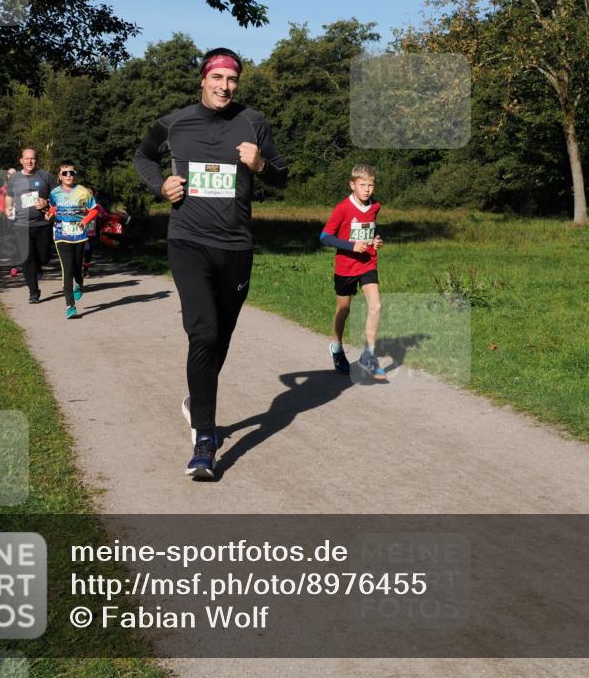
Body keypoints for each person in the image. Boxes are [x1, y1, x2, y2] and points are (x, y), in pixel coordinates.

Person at [134, 47, 287, 480]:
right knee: (203, 331)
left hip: (236, 246)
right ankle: (205, 438)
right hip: (188, 241)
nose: (224, 87)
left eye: (232, 80)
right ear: (203, 80)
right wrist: (158, 185)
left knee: (218, 339)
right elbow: (143, 157)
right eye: (217, 78)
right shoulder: (174, 123)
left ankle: (195, 400)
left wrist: (260, 165)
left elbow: (282, 173)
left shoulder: (253, 122)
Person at [320, 163, 387, 380]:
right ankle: (337, 348)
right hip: (346, 266)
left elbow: (370, 228)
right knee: (344, 310)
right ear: (352, 185)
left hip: (367, 263)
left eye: (371, 185)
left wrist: (374, 240)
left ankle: (368, 355)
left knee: (376, 306)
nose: (367, 189)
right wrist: (351, 245)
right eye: (362, 185)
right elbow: (325, 237)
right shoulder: (342, 208)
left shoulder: (375, 206)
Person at [47, 163, 98, 318]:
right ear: (59, 176)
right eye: (65, 173)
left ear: (75, 174)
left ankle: (80, 282)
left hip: (79, 234)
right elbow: (53, 208)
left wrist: (85, 221)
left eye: (71, 173)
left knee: (77, 266)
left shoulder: (83, 191)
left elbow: (94, 210)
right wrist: (49, 214)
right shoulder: (54, 193)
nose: (68, 175)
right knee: (67, 269)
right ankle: (70, 306)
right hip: (61, 234)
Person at [5, 148, 56, 303]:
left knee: (44, 257)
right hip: (21, 224)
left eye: (32, 158)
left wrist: (47, 202)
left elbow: (56, 197)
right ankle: (33, 292)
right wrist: (8, 208)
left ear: (36, 160)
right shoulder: (14, 179)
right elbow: (9, 196)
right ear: (21, 160)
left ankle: (39, 265)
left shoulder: (46, 177)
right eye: (26, 159)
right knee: (27, 259)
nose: (29, 161)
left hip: (42, 224)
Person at [0, 167, 19, 276]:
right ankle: (13, 266)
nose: (11, 176)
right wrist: (3, 212)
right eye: (9, 174)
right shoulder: (3, 189)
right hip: (9, 218)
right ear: (7, 176)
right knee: (12, 242)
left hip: (23, 218)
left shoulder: (23, 187)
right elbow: (0, 205)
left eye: (14, 174)